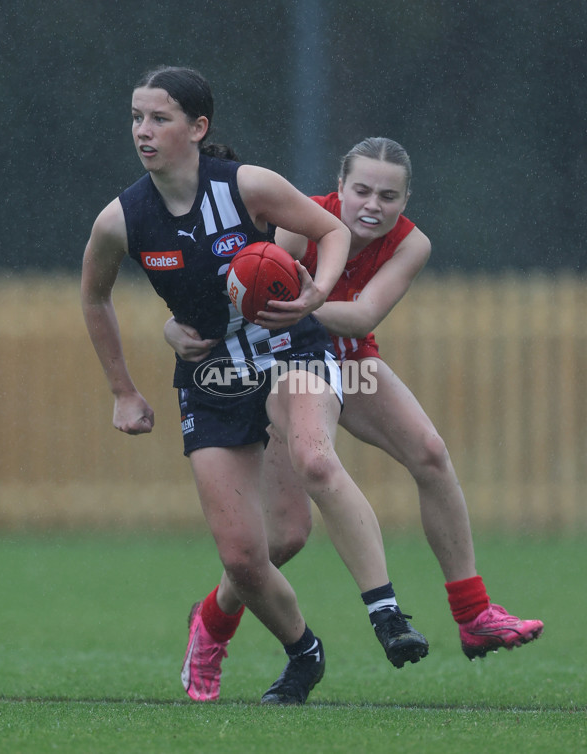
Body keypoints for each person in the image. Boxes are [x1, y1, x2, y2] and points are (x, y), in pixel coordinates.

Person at [81, 69, 429, 707]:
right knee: (250, 554)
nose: (142, 131)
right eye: (136, 117)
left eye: (159, 118)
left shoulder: (248, 186)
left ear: (198, 127)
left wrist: (316, 294)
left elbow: (332, 232)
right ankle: (304, 653)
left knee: (316, 459)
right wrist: (123, 390)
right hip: (213, 375)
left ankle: (386, 614)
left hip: (290, 348)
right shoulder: (121, 219)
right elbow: (95, 298)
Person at [164, 136, 544, 702]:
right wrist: (173, 327)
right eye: (361, 189)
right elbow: (239, 292)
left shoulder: (411, 244)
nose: (373, 204)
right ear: (338, 189)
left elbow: (365, 313)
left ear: (405, 198)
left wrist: (305, 302)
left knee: (431, 452)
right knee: (286, 537)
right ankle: (213, 625)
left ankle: (473, 612)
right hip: (283, 365)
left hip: (349, 360)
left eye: (388, 195)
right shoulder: (301, 219)